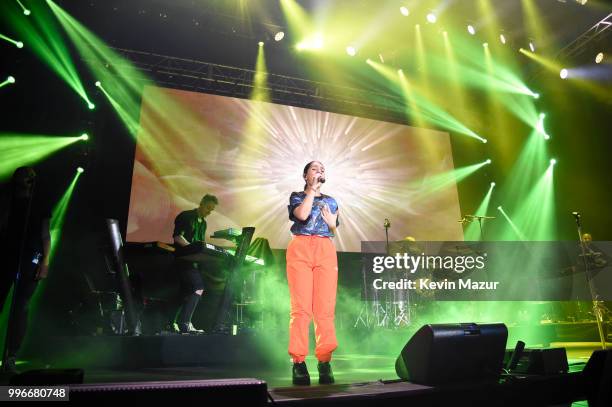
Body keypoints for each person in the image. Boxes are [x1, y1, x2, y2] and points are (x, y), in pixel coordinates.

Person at [286, 161, 340, 385]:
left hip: (325, 248)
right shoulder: (297, 196)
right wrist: (312, 190)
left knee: (325, 309)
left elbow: (333, 231)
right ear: (306, 175)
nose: (320, 171)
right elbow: (302, 215)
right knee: (301, 309)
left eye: (322, 169)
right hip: (300, 248)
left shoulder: (332, 201)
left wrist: (332, 225)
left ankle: (324, 360)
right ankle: (299, 362)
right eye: (315, 169)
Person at [0, 167, 51, 373]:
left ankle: (11, 356)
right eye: (25, 175)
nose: (29, 178)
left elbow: (45, 234)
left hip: (31, 257)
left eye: (31, 176)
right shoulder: (6, 201)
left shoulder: (39, 204)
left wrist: (45, 261)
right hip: (5, 256)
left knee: (21, 307)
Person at [171, 193, 218, 334]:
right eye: (208, 208)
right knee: (198, 288)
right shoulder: (185, 216)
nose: (209, 212)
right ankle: (185, 323)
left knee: (185, 293)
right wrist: (191, 249)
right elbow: (177, 236)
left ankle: (172, 323)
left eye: (212, 210)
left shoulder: (203, 222)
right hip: (183, 260)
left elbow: (200, 244)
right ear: (202, 203)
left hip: (194, 262)